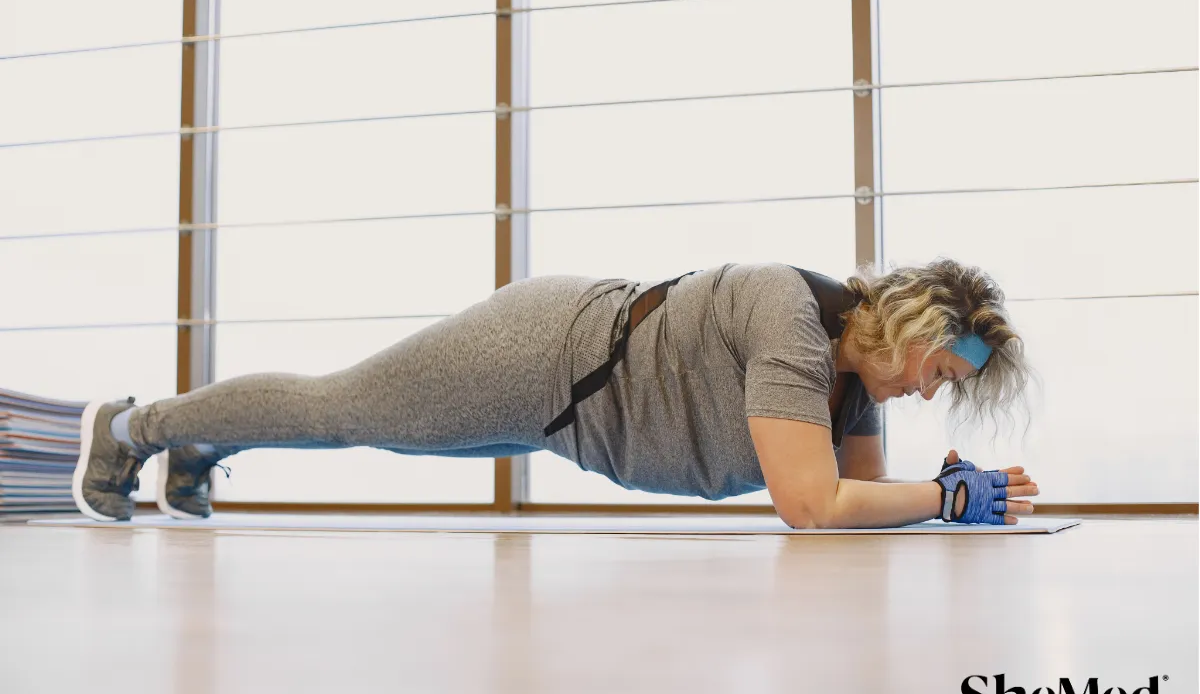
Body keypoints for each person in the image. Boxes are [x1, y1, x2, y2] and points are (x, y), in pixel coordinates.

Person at [71, 259, 1038, 528]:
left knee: (362, 430)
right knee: (343, 412)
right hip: (542, 360)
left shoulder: (850, 390)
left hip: (564, 424)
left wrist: (935, 494)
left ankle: (202, 443)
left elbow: (861, 503)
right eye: (939, 375)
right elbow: (815, 506)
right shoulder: (793, 320)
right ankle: (131, 426)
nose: (928, 396)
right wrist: (949, 501)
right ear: (912, 335)